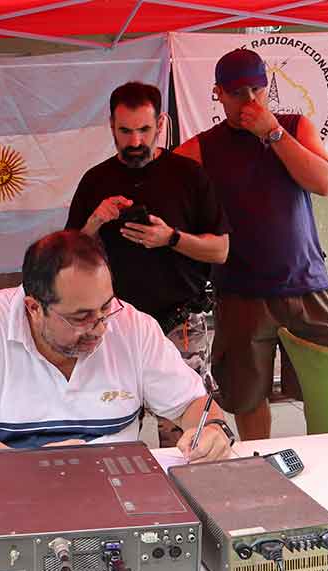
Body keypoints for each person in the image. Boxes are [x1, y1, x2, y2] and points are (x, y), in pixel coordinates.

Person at [0, 230, 234, 464]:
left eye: (105, 308)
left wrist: (212, 431)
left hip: (116, 487)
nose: (100, 327)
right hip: (13, 485)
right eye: (81, 317)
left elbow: (193, 405)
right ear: (34, 308)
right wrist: (28, 466)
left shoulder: (131, 325)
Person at [175, 48, 328, 441]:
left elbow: (324, 182)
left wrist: (273, 134)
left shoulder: (295, 126)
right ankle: (260, 472)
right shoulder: (201, 148)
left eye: (256, 90)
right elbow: (170, 192)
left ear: (268, 88)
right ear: (218, 94)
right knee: (248, 398)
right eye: (237, 93)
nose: (249, 101)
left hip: (308, 285)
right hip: (240, 294)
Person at [66, 81, 230, 447]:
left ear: (161, 124)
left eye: (144, 129)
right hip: (112, 326)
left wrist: (170, 238)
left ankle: (186, 501)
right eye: (125, 131)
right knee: (110, 435)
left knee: (186, 437)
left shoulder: (189, 176)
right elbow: (67, 262)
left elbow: (220, 250)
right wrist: (94, 222)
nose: (136, 141)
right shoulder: (95, 181)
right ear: (111, 126)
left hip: (180, 322)